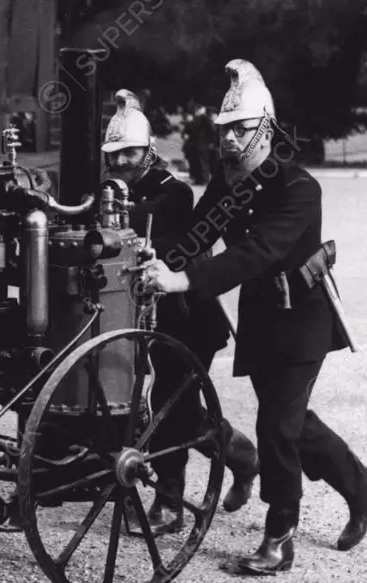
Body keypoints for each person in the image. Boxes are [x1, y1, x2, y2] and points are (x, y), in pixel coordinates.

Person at [143, 60, 367, 574]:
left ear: (267, 128)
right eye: (225, 129)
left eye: (242, 128)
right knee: (292, 422)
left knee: (275, 424)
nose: (230, 138)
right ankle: (361, 487)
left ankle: (280, 534)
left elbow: (257, 251)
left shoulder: (299, 188)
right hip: (260, 317)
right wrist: (158, 258)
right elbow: (199, 234)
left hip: (303, 319)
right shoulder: (229, 181)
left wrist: (186, 280)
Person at [101, 89, 259, 533]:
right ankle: (243, 458)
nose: (122, 161)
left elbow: (163, 231)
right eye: (114, 154)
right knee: (171, 407)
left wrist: (117, 216)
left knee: (172, 407)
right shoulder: (113, 187)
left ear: (148, 150)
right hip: (140, 315)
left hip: (188, 316)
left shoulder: (173, 193)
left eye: (130, 151)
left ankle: (171, 503)